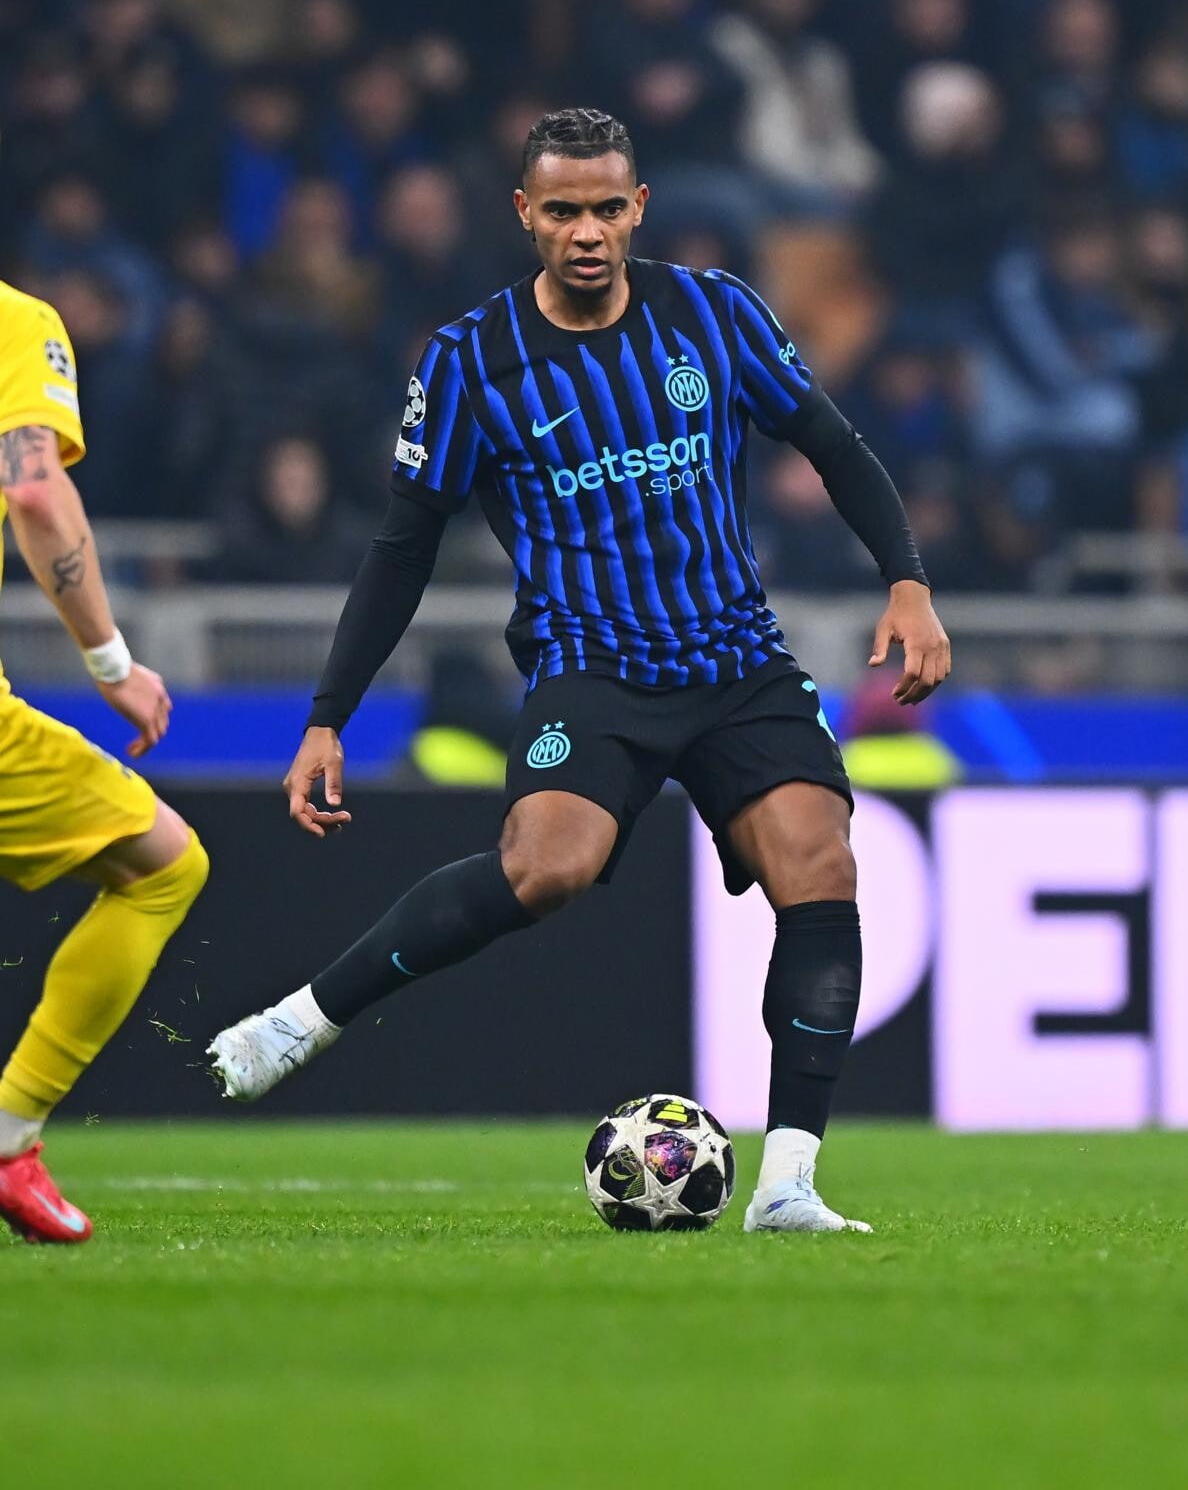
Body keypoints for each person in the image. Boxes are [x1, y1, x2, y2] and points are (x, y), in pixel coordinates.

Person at [208, 108, 950, 1235]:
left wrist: (907, 579)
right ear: (525, 214)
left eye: (607, 207)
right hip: (591, 662)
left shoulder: (715, 312)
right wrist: (327, 716)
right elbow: (402, 548)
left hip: (734, 657)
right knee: (546, 868)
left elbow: (833, 446)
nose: (588, 231)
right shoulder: (471, 361)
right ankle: (299, 1022)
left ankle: (788, 1184)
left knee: (823, 867)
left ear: (638, 207)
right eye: (563, 210)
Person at [0, 282, 209, 1244]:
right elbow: (34, 489)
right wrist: (112, 662)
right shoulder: (16, 323)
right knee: (163, 865)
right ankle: (9, 1137)